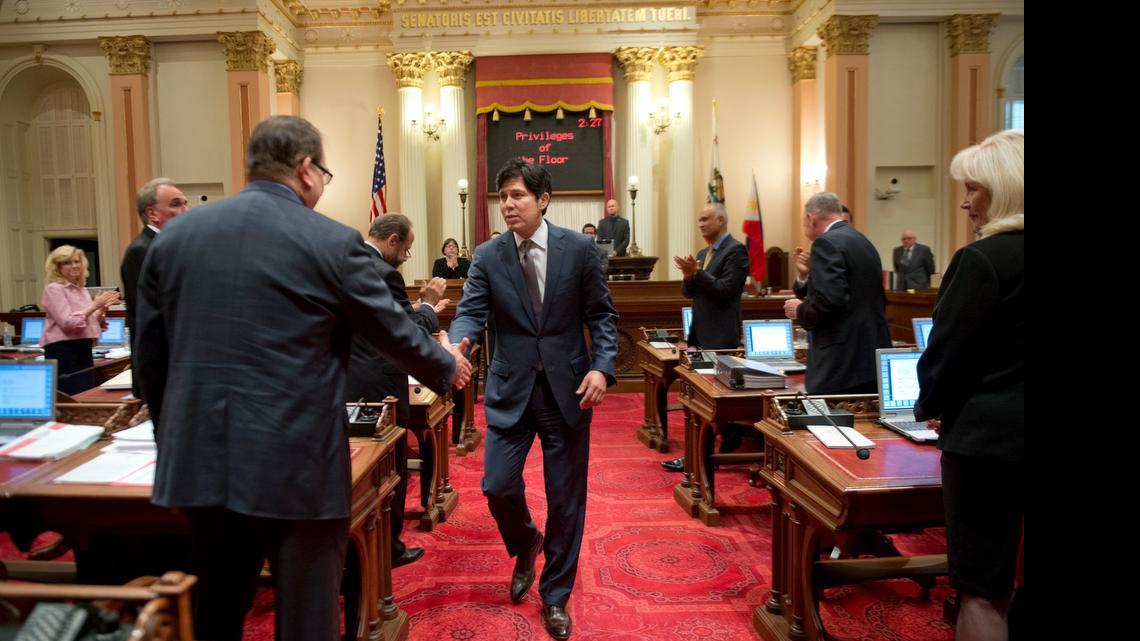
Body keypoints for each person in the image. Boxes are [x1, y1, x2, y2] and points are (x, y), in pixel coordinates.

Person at [135, 115, 471, 641]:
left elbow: (149, 361)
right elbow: (391, 333)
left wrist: (173, 441)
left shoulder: (176, 238)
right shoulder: (334, 243)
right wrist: (447, 366)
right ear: (308, 170)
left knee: (214, 614)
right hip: (294, 465)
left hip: (199, 461)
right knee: (307, 619)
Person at [448, 158, 618, 641]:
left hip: (568, 390)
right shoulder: (487, 255)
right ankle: (526, 542)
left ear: (543, 200)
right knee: (497, 485)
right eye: (502, 197)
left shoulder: (581, 249)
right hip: (510, 388)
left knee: (567, 500)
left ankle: (556, 596)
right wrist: (459, 342)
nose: (507, 205)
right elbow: (470, 313)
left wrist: (603, 367)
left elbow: (603, 316)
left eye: (517, 196)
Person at [914, 130, 1023, 641]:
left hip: (988, 447)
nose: (965, 202)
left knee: (982, 586)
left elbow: (948, 355)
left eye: (974, 189)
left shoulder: (982, 260)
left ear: (1005, 190)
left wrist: (931, 406)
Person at [346, 213, 450, 570]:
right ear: (391, 240)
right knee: (391, 468)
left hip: (347, 381)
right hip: (380, 385)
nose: (405, 258)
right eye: (405, 250)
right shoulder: (384, 274)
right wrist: (427, 305)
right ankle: (389, 547)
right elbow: (403, 333)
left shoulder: (345, 260)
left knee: (359, 470)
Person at [662, 201, 749, 472]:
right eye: (699, 219)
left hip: (722, 339)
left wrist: (698, 273)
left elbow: (726, 290)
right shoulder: (703, 252)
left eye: (705, 219)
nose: (700, 224)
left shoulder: (737, 251)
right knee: (698, 397)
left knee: (712, 401)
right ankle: (705, 452)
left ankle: (705, 456)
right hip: (700, 337)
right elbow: (689, 293)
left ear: (721, 221)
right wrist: (689, 276)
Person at [783, 192, 889, 395]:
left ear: (810, 218)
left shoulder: (826, 243)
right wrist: (806, 277)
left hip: (839, 363)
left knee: (828, 425)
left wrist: (799, 310)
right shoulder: (862, 241)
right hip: (869, 359)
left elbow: (829, 301)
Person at [120, 177, 189, 397]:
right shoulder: (141, 251)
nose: (185, 210)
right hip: (159, 366)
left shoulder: (167, 246)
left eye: (185, 203)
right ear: (152, 214)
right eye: (175, 204)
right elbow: (148, 316)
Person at [41, 245, 120, 395]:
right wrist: (94, 305)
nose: (74, 266)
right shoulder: (54, 289)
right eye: (68, 262)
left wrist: (101, 309)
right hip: (63, 350)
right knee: (73, 395)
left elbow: (87, 321)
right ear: (57, 267)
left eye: (77, 261)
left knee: (86, 392)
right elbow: (68, 323)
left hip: (82, 347)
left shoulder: (81, 289)